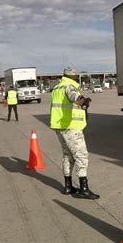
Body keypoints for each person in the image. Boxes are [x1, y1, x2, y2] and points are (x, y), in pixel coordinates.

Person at [50, 67, 99, 200]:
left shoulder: (57, 88)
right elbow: (74, 96)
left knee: (68, 155)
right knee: (81, 156)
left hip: (59, 127)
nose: (76, 78)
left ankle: (68, 186)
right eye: (76, 76)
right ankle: (84, 188)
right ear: (72, 77)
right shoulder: (69, 86)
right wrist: (82, 101)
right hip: (71, 127)